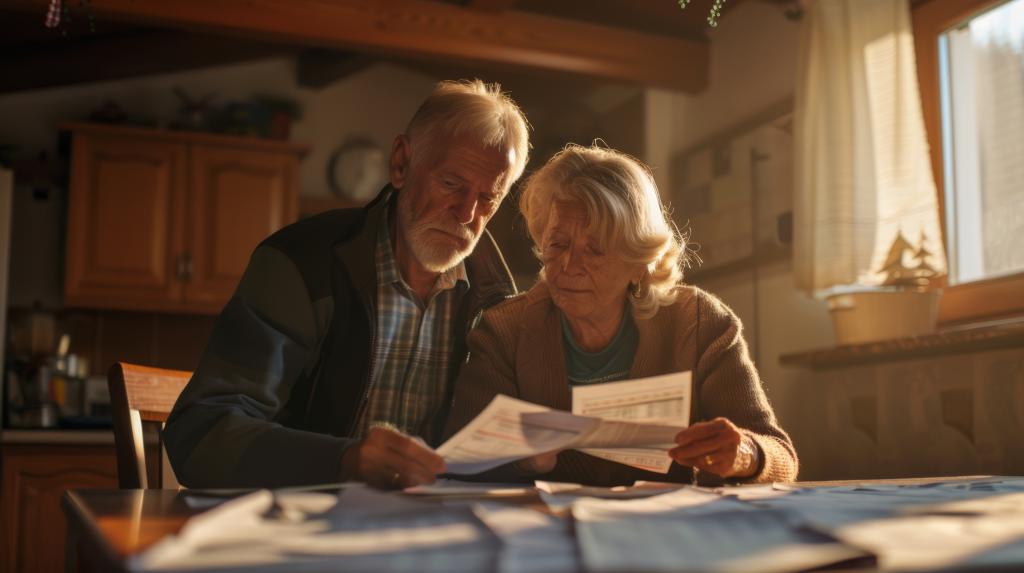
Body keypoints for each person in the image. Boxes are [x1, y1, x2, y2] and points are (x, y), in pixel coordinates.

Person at [164, 79, 530, 489]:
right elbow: (199, 436)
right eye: (450, 184)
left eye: (488, 200)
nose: (466, 215)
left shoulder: (498, 304)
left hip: (425, 536)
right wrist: (343, 460)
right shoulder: (302, 263)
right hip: (292, 527)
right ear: (401, 163)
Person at [443, 144, 798, 486]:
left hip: (664, 533)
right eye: (558, 244)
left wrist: (745, 454)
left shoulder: (699, 323)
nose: (568, 266)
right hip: (548, 532)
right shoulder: (504, 330)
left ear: (639, 263)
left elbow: (781, 455)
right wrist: (521, 458)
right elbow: (461, 465)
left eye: (594, 249)